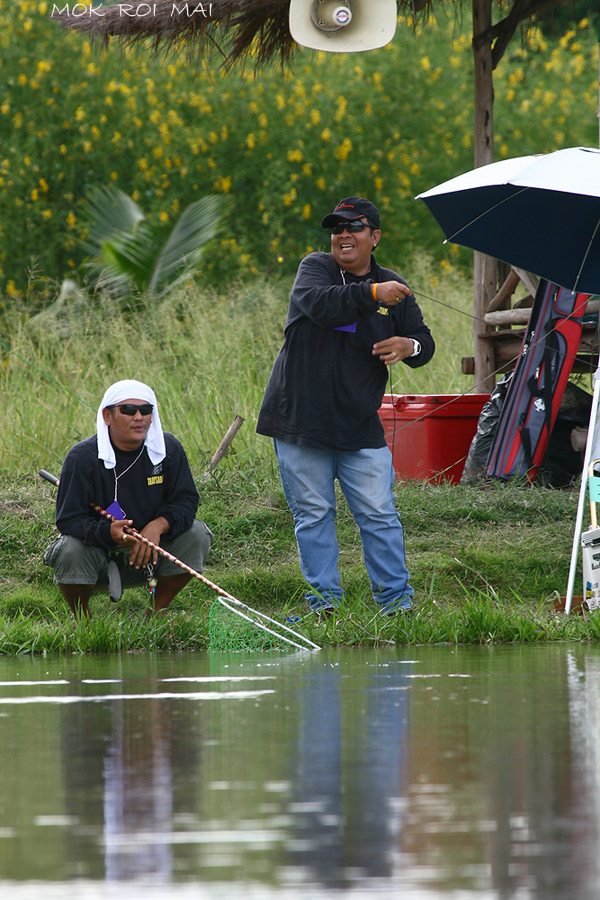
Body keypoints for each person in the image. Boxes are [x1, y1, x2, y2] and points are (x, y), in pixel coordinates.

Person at [256, 197, 434, 617]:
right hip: (299, 422)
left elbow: (424, 344)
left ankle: (396, 605)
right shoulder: (314, 268)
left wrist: (407, 344)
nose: (343, 235)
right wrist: (373, 293)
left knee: (379, 513)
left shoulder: (394, 286)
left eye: (354, 227)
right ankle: (324, 607)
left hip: (358, 424)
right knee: (314, 515)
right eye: (337, 228)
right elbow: (321, 304)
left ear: (375, 237)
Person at [43, 379, 213, 619]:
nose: (139, 417)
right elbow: (68, 520)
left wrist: (157, 526)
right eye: (129, 410)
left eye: (146, 410)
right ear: (107, 416)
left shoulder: (169, 450)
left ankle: (155, 614)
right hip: (98, 554)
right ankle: (83, 620)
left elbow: (185, 501)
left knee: (196, 534)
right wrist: (108, 533)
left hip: (152, 551)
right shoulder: (81, 458)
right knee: (69, 549)